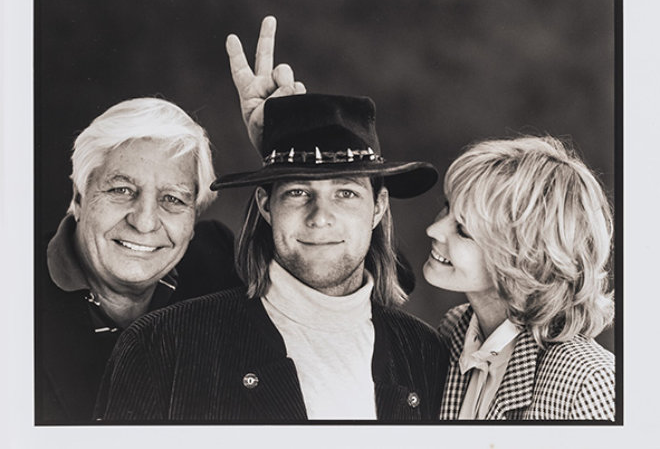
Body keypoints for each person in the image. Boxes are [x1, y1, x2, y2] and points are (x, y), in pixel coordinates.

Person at [94, 92, 449, 422]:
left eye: (345, 193)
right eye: (297, 192)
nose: (320, 217)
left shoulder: (423, 351)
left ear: (378, 208)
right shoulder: (161, 346)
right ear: (266, 205)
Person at [35, 97, 242, 424]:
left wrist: (284, 143)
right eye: (121, 190)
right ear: (79, 196)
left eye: (172, 199)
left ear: (193, 218)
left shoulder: (220, 263)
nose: (144, 222)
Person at [424, 135, 615, 420]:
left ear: (524, 258)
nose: (434, 230)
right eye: (447, 207)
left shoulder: (589, 383)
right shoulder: (452, 332)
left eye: (463, 229)